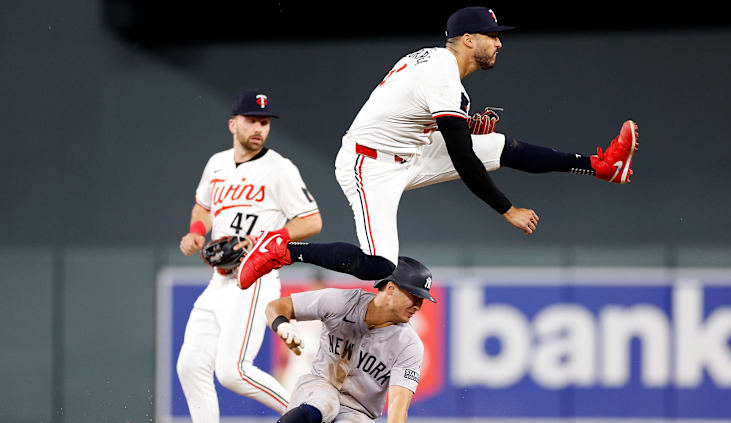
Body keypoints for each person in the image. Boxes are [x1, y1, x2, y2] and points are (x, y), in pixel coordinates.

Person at [236, 6, 639, 290]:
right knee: (378, 265)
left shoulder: (435, 63)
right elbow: (463, 159)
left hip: (408, 151)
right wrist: (508, 210)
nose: (499, 44)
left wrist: (455, 127)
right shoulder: (443, 74)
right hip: (368, 165)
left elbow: (408, 114)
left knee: (501, 146)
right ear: (467, 39)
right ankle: (285, 250)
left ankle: (603, 166)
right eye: (492, 36)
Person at [177, 88, 323, 422]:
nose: (259, 128)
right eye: (251, 121)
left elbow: (311, 220)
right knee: (190, 366)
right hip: (219, 281)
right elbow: (203, 206)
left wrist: (269, 239)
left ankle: (311, 416)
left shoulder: (279, 169)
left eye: (264, 122)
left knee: (233, 371)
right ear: (233, 124)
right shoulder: (216, 164)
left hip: (255, 277)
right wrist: (197, 232)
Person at [265, 256, 436, 423]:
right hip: (319, 387)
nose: (418, 306)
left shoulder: (409, 344)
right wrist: (282, 326)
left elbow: (398, 409)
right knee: (324, 403)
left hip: (359, 411)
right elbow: (276, 307)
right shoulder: (342, 302)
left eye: (421, 300)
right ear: (391, 288)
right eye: (414, 296)